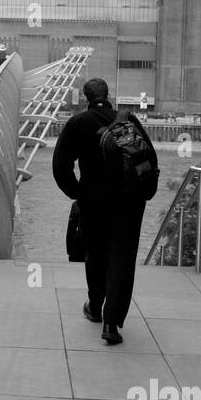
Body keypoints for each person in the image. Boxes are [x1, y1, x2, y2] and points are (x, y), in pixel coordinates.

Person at [51, 78, 150, 346]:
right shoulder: (128, 120)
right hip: (129, 202)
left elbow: (60, 165)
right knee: (122, 258)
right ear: (109, 96)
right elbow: (148, 159)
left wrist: (77, 192)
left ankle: (95, 306)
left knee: (95, 253)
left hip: (93, 201)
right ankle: (111, 323)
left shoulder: (78, 123)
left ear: (85, 97)